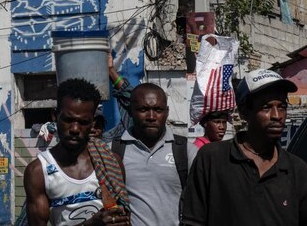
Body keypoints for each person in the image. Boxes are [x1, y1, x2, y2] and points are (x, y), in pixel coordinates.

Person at [181, 68, 307, 225]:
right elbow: (192, 221)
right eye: (266, 107)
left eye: (282, 106)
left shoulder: (298, 170)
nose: (277, 115)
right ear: (244, 111)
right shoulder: (212, 159)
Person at [23, 78, 129, 226]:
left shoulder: (111, 162)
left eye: (83, 122)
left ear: (93, 122)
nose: (74, 129)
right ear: (55, 116)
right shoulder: (39, 172)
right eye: (68, 120)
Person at [109, 83, 194, 226]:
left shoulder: (186, 151)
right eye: (143, 109)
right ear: (130, 111)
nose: (151, 116)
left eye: (158, 110)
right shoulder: (113, 151)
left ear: (167, 112)